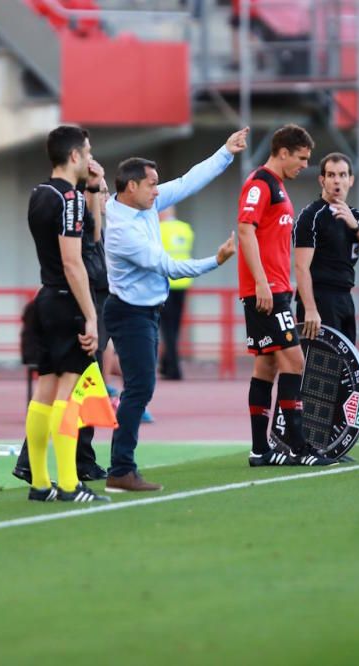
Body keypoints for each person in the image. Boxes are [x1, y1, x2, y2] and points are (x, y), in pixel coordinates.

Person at [103, 129, 245, 491]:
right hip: (129, 312)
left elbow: (188, 181)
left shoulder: (142, 203)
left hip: (145, 311)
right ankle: (120, 469)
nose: (158, 190)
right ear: (131, 187)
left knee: (139, 388)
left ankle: (110, 465)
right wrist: (216, 260)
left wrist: (225, 152)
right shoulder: (122, 230)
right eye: (151, 184)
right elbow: (167, 265)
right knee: (138, 389)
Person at [238, 124, 337, 468]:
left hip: (274, 290)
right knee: (295, 362)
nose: (304, 165)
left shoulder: (277, 186)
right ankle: (297, 447)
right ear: (282, 152)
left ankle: (259, 450)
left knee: (266, 365)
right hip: (268, 293)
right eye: (302, 158)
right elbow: (244, 230)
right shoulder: (260, 184)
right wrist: (263, 283)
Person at [20, 124, 110, 503]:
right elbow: (75, 263)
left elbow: (91, 237)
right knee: (70, 394)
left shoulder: (39, 193)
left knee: (45, 389)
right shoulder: (68, 199)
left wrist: (93, 191)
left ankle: (41, 483)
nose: (90, 158)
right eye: (87, 152)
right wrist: (90, 316)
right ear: (74, 156)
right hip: (67, 300)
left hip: (44, 297)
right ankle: (71, 484)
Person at [293, 152, 359, 346]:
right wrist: (310, 309)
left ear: (351, 180)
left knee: (344, 369)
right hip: (320, 297)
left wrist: (356, 227)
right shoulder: (312, 216)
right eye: (331, 175)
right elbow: (301, 267)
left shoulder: (356, 216)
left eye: (342, 175)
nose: (337, 181)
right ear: (322, 180)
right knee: (321, 369)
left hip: (345, 297)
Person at [158, 205, 194, 380]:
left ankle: (173, 368)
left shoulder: (158, 229)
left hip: (165, 283)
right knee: (175, 326)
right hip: (183, 281)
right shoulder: (185, 228)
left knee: (166, 327)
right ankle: (166, 364)